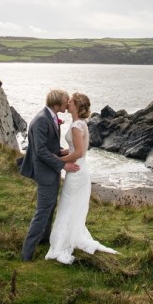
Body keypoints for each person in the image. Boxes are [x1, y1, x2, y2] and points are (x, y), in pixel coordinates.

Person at [45, 92, 118, 264]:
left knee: (68, 205)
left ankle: (63, 242)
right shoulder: (80, 124)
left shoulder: (77, 126)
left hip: (77, 172)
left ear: (76, 106)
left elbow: (79, 152)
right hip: (80, 170)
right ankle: (68, 237)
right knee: (70, 206)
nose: (67, 102)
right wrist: (62, 152)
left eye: (70, 101)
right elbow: (76, 149)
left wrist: (56, 160)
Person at [19, 89, 80, 261]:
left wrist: (64, 152)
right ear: (56, 105)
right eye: (65, 101)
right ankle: (26, 255)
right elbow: (40, 151)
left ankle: (44, 240)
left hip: (50, 171)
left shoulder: (50, 117)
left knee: (49, 208)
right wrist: (63, 164)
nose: (68, 102)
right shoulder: (41, 120)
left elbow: (50, 146)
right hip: (45, 173)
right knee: (42, 212)